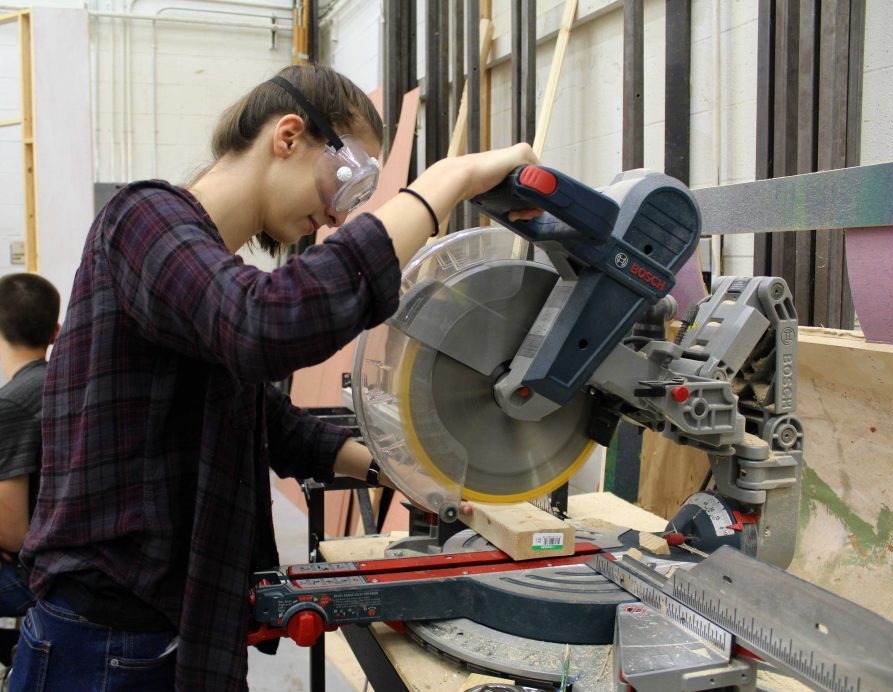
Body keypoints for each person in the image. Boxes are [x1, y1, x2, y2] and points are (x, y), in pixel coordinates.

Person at [11, 63, 539, 691]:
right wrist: (442, 185)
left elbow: (262, 417)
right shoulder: (142, 220)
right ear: (288, 136)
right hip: (105, 643)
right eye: (347, 183)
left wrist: (399, 470)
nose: (337, 216)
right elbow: (264, 324)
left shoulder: (200, 269)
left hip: (166, 630)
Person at [0, 273, 59, 620]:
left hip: (34, 579)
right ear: (55, 331)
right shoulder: (64, 384)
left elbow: (12, 535)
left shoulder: (11, 404)